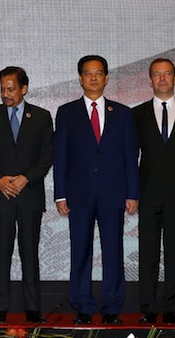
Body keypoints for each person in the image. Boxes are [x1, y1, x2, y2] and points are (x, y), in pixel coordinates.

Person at [53, 55, 139, 325]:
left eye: (98, 73)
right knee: (80, 251)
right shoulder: (66, 112)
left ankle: (112, 307)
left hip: (113, 193)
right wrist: (60, 193)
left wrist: (132, 193)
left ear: (106, 78)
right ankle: (82, 306)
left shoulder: (123, 113)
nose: (93, 78)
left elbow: (130, 156)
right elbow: (60, 156)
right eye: (88, 73)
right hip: (79, 194)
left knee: (113, 251)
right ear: (80, 79)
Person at [0, 67, 52, 324]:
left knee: (30, 253)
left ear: (24, 88)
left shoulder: (41, 117)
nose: (5, 94)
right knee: (2, 253)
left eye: (11, 89)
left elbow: (46, 156)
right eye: (2, 89)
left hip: (29, 194)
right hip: (1, 196)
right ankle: (0, 309)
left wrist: (25, 178)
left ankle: (32, 309)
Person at [132, 58, 175, 325]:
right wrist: (132, 193)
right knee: (147, 253)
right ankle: (148, 308)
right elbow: (130, 157)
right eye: (157, 74)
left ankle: (172, 308)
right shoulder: (136, 114)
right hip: (147, 193)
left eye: (167, 74)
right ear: (150, 80)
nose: (162, 79)